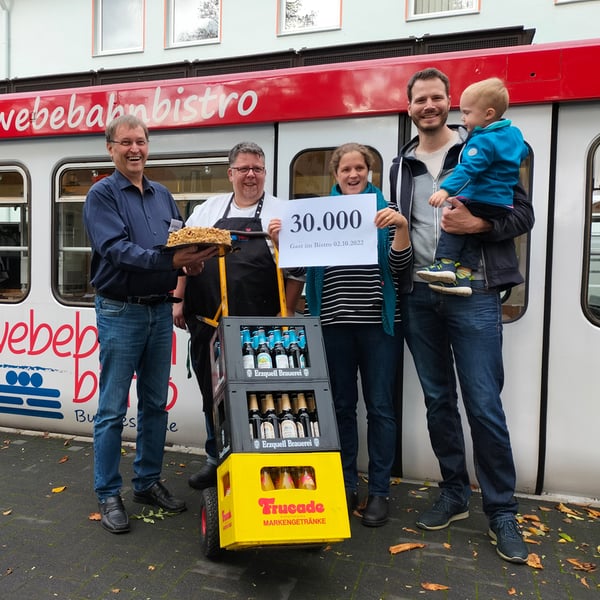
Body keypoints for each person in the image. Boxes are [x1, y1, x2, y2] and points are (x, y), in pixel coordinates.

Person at [390, 68, 534, 562]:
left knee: (484, 403)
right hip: (419, 294)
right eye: (419, 99)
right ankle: (453, 492)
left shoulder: (482, 143)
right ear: (409, 107)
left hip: (473, 291)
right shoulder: (401, 164)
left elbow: (523, 215)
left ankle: (502, 511)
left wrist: (479, 224)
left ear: (450, 103)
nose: (428, 106)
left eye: (436, 97)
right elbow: (400, 229)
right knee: (438, 401)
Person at [83, 115, 215, 534]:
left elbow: (176, 243)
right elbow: (116, 250)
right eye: (125, 143)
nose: (134, 149)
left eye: (140, 141)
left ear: (148, 146)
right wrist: (171, 260)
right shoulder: (101, 195)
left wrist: (189, 265)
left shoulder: (162, 196)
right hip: (120, 311)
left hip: (159, 311)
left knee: (156, 403)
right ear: (110, 148)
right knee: (112, 409)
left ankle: (146, 481)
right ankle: (108, 492)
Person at [173, 141, 304, 490]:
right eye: (244, 168)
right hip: (208, 326)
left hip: (259, 331)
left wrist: (286, 314)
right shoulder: (207, 210)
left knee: (259, 400)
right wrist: (178, 299)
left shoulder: (282, 213)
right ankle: (215, 459)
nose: (251, 175)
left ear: (265, 173)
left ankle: (259, 465)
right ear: (230, 173)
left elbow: (297, 272)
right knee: (211, 397)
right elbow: (184, 256)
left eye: (257, 169)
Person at [300, 143, 412, 527]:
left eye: (359, 168)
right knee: (341, 407)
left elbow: (399, 265)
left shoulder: (386, 211)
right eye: (345, 169)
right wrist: (284, 242)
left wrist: (401, 227)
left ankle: (379, 491)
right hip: (333, 326)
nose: (353, 175)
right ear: (335, 174)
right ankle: (346, 483)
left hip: (379, 327)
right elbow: (302, 270)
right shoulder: (319, 215)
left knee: (380, 407)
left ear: (369, 171)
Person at [416, 77, 529, 296]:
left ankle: (445, 263)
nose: (463, 118)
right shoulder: (514, 134)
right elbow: (521, 152)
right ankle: (464, 274)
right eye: (420, 100)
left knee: (453, 221)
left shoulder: (481, 141)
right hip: (501, 203)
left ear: (488, 114)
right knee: (471, 235)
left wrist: (445, 190)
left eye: (467, 113)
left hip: (482, 197)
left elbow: (468, 169)